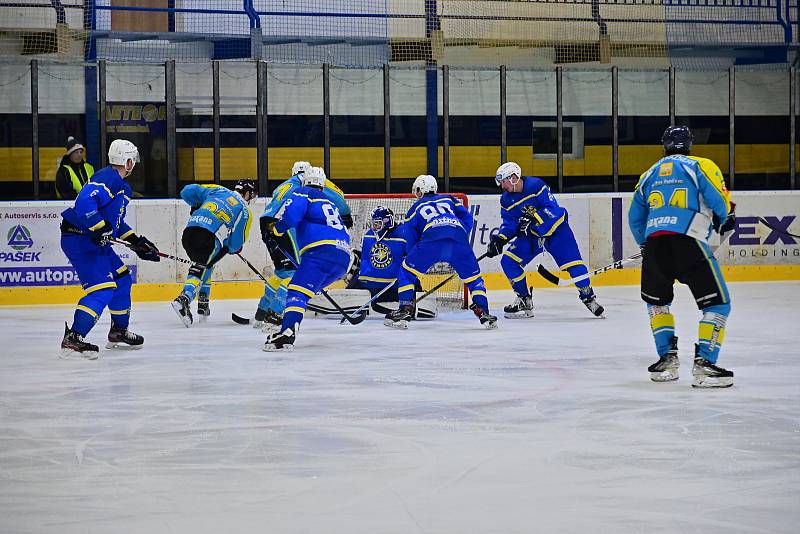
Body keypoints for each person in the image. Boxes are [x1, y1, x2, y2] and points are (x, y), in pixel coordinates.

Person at [629, 125, 735, 388]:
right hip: (689, 240)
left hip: (655, 243)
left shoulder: (649, 174)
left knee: (657, 304)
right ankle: (705, 365)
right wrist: (726, 217)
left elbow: (635, 218)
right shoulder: (699, 165)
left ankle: (666, 359)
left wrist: (646, 245)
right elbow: (716, 196)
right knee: (718, 304)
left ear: (663, 145)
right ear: (690, 144)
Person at [59, 139, 160, 358]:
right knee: (103, 289)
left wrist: (137, 242)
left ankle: (118, 331)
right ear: (129, 161)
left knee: (122, 279)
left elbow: (115, 223)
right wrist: (99, 227)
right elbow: (85, 202)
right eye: (134, 159)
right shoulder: (108, 177)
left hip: (93, 240)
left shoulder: (121, 186)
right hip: (79, 239)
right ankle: (74, 338)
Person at [487, 162, 604, 318]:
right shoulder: (506, 200)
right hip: (533, 236)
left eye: (503, 181)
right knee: (509, 262)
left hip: (556, 230)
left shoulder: (536, 185)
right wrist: (500, 239)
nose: (502, 185)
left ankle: (588, 297)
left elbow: (552, 209)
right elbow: (510, 223)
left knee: (574, 265)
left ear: (514, 177)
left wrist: (534, 222)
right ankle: (524, 300)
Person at [384, 174, 496, 330]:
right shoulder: (450, 199)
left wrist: (412, 255)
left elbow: (411, 236)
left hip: (432, 240)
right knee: (474, 278)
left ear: (419, 190)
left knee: (406, 272)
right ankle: (484, 312)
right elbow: (467, 218)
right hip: (458, 239)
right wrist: (459, 233)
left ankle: (405, 309)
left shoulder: (414, 209)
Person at [253, 161, 352, 333]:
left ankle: (263, 311)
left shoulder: (286, 185)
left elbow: (281, 208)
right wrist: (346, 214)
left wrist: (272, 231)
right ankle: (276, 313)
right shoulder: (319, 194)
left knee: (283, 272)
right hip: (333, 248)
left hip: (269, 222)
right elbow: (339, 197)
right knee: (294, 274)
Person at [172, 179, 257, 327]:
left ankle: (203, 306)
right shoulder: (244, 211)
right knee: (200, 268)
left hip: (189, 231)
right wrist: (232, 248)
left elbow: (186, 191)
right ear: (248, 193)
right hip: (209, 238)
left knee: (205, 265)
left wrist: (197, 204)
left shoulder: (218, 190)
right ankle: (184, 299)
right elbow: (236, 242)